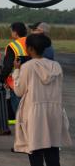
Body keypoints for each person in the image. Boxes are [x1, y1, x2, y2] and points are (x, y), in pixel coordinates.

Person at [12, 33, 71, 166]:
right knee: (53, 151)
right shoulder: (56, 66)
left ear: (30, 49)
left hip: (34, 114)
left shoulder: (28, 67)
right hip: (54, 112)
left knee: (35, 151)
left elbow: (19, 91)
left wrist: (16, 71)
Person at [2, 22, 29, 119]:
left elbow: (8, 66)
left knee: (19, 109)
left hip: (17, 81)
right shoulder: (32, 42)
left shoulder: (13, 46)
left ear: (15, 33)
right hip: (32, 81)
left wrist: (2, 78)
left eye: (11, 31)